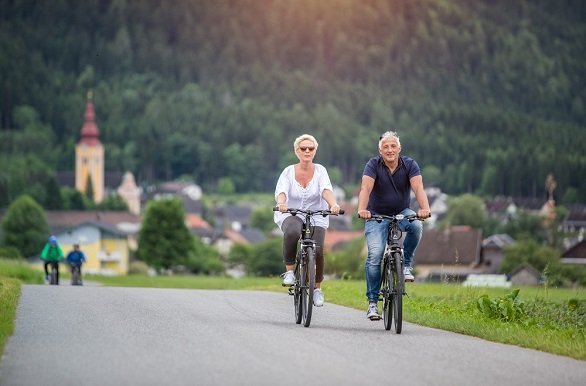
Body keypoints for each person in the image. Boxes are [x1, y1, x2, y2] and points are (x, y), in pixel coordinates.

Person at [357, 131, 431, 320]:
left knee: (416, 225)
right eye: (385, 147)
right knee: (375, 255)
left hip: (401, 212)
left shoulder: (410, 165)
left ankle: (406, 266)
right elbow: (366, 188)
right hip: (376, 216)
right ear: (380, 150)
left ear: (399, 148)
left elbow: (418, 188)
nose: (389, 150)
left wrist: (424, 208)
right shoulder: (373, 165)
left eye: (393, 146)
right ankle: (373, 303)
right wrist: (362, 209)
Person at [274, 134, 341, 307]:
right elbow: (282, 191)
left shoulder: (320, 170)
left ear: (315, 151)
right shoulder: (288, 171)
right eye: (303, 148)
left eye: (310, 148)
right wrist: (281, 203)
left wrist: (333, 204)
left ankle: (317, 289)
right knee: (292, 232)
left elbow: (326, 190)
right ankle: (289, 271)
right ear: (297, 151)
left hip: (317, 213)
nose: (307, 151)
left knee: (317, 250)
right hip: (292, 213)